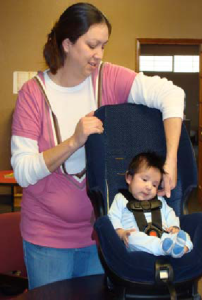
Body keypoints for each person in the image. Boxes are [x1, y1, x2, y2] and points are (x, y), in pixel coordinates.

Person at [11, 2, 184, 289]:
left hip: (100, 234)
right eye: (92, 45)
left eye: (104, 45)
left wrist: (172, 160)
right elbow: (23, 171)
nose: (99, 55)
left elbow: (172, 94)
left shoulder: (109, 77)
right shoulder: (33, 93)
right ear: (67, 43)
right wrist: (73, 142)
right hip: (46, 238)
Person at [108, 152, 193, 257]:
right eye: (144, 180)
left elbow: (170, 213)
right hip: (137, 239)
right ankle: (165, 249)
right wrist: (121, 233)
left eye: (154, 185)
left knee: (184, 235)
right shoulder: (120, 199)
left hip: (162, 236)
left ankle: (181, 249)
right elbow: (113, 217)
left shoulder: (159, 200)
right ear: (129, 178)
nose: (149, 187)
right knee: (132, 239)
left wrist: (174, 226)